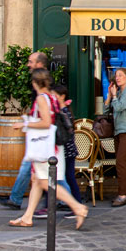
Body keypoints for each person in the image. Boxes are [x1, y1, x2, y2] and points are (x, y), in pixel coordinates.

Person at [8, 69, 87, 229]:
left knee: (46, 183)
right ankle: (27, 217)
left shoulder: (42, 99)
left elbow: (46, 123)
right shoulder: (52, 97)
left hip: (45, 147)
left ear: (35, 83)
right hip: (53, 146)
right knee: (37, 181)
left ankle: (77, 207)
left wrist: (24, 124)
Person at [0, 51, 51, 210]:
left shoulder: (44, 87)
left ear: (39, 64)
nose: (28, 64)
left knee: (40, 172)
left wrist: (26, 124)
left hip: (43, 135)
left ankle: (70, 204)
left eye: (31, 62)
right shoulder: (40, 86)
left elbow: (47, 118)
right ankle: (18, 199)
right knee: (33, 171)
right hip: (39, 135)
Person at [104, 68, 126, 207]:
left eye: (120, 75)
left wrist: (115, 97)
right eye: (116, 76)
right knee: (124, 163)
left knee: (120, 162)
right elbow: (107, 110)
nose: (117, 78)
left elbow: (120, 107)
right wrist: (109, 96)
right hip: (118, 130)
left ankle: (122, 194)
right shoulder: (117, 92)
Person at [52, 84, 83, 218]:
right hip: (68, 150)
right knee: (67, 177)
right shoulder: (63, 110)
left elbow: (66, 133)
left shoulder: (63, 112)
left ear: (62, 96)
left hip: (67, 150)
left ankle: (76, 205)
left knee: (68, 178)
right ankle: (73, 203)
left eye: (55, 95)